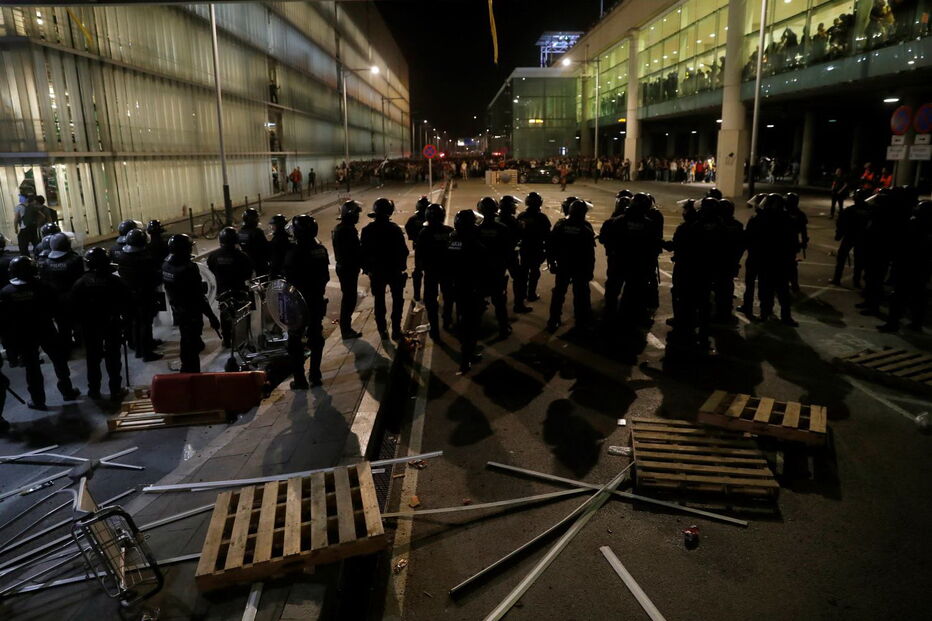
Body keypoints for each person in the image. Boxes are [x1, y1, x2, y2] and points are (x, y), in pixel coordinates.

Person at [0, 255, 80, 409]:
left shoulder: (6, 292)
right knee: (59, 361)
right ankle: (67, 390)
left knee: (32, 368)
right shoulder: (44, 287)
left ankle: (38, 400)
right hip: (46, 328)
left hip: (23, 334)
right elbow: (57, 310)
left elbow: (4, 321)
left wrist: (10, 344)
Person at [71, 247, 129, 401]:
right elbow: (127, 303)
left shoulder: (81, 283)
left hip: (89, 326)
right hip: (111, 323)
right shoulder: (115, 281)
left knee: (92, 358)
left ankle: (94, 390)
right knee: (113, 357)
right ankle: (115, 389)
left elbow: (74, 307)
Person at [162, 234, 220, 373]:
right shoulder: (188, 268)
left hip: (178, 309)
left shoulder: (166, 265)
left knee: (186, 338)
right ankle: (192, 372)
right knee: (191, 343)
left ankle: (186, 365)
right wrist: (211, 316)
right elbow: (198, 296)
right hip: (191, 310)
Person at [284, 215, 329, 388]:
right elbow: (325, 276)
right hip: (317, 300)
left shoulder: (294, 252)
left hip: (298, 304)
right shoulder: (321, 250)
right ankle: (315, 375)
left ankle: (300, 379)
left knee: (294, 341)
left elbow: (288, 279)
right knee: (316, 337)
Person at [878, 200, 931, 332]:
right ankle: (915, 323)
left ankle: (893, 323)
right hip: (921, 268)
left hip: (908, 266)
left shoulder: (914, 225)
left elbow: (902, 244)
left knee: (899, 297)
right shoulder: (926, 227)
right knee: (917, 297)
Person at [360, 198, 408, 340]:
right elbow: (403, 251)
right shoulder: (395, 229)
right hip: (394, 270)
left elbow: (363, 253)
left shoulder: (367, 230)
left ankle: (382, 330)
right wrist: (402, 267)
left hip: (376, 271)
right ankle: (396, 329)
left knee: (379, 300)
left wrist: (368, 269)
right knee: (398, 300)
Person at [547, 199, 595, 332]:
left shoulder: (560, 225)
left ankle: (553, 320)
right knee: (581, 294)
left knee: (558, 293)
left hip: (563, 265)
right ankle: (581, 321)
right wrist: (590, 270)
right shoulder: (586, 227)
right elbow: (590, 253)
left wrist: (551, 262)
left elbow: (551, 246)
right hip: (580, 267)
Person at [447, 209, 486, 373]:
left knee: (462, 319)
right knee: (472, 324)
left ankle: (466, 354)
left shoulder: (451, 241)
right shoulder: (475, 244)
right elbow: (483, 269)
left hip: (455, 287)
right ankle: (466, 358)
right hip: (471, 289)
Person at [750, 194, 798, 326]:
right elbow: (793, 242)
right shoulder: (788, 219)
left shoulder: (760, 219)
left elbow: (751, 239)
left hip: (767, 260)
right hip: (780, 261)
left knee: (766, 289)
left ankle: (765, 313)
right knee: (782, 290)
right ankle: (785, 316)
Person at [118, 228, 163, 361]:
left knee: (135, 322)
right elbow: (154, 278)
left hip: (129, 295)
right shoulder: (145, 259)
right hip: (145, 295)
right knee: (145, 323)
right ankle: (147, 352)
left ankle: (139, 348)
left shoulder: (123, 256)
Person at [207, 227, 254, 347]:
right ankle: (242, 339)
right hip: (239, 290)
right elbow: (248, 274)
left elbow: (211, 272)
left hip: (222, 291)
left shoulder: (213, 256)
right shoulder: (242, 256)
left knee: (225, 314)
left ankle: (227, 339)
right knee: (242, 314)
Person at [39, 232, 84, 353]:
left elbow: (44, 282)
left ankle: (67, 346)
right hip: (73, 297)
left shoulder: (46, 262)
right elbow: (81, 279)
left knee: (62, 325)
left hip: (55, 299)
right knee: (78, 322)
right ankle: (81, 343)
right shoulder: (75, 259)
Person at [416, 203, 454, 340]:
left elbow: (419, 256)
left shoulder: (424, 233)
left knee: (431, 301)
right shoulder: (450, 231)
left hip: (431, 271)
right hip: (447, 270)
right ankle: (447, 320)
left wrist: (419, 272)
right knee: (449, 296)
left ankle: (434, 329)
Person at [476, 197, 512, 338]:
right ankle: (503, 328)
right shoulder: (502, 229)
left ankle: (476, 328)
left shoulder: (477, 228)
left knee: (478, 301)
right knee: (499, 301)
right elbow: (508, 251)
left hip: (481, 270)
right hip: (497, 270)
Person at [331, 201, 363, 339]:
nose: (357, 216)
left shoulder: (344, 228)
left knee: (350, 298)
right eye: (356, 213)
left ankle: (347, 328)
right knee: (349, 299)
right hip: (347, 268)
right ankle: (346, 329)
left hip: (347, 267)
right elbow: (353, 251)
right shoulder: (345, 230)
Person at [831, 188, 871, 287]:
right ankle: (856, 281)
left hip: (850, 236)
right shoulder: (869, 210)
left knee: (841, 258)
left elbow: (841, 224)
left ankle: (837, 279)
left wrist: (838, 235)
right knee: (859, 261)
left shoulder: (850, 210)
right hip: (862, 238)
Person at [516, 192, 551, 303]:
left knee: (524, 271)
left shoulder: (522, 216)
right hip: (537, 248)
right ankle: (531, 294)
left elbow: (517, 233)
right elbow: (547, 236)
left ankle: (521, 295)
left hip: (525, 248)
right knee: (534, 271)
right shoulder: (542, 217)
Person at [498, 195, 531, 314]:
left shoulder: (497, 218)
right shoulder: (512, 221)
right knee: (520, 279)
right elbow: (522, 235)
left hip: (496, 256)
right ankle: (519, 305)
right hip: (509, 254)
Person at [404, 197, 429, 302]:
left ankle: (417, 295)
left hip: (418, 248)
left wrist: (414, 238)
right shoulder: (430, 219)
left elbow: (408, 229)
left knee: (418, 271)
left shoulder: (413, 219)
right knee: (429, 273)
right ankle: (428, 295)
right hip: (430, 249)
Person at [784, 193, 809, 293]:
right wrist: (804, 241)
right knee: (791, 264)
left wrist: (804, 240)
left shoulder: (783, 213)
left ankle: (791, 284)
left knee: (785, 264)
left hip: (785, 241)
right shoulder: (800, 214)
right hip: (793, 241)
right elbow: (804, 230)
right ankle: (794, 284)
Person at [238, 207, 270, 276]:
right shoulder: (257, 232)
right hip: (259, 263)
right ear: (253, 220)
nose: (258, 220)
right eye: (256, 218)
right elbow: (265, 248)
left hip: (246, 263)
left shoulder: (240, 232)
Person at [268, 214, 292, 278]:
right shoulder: (290, 237)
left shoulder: (277, 239)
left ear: (279, 226)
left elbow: (275, 258)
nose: (271, 227)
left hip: (280, 272)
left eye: (273, 225)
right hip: (289, 270)